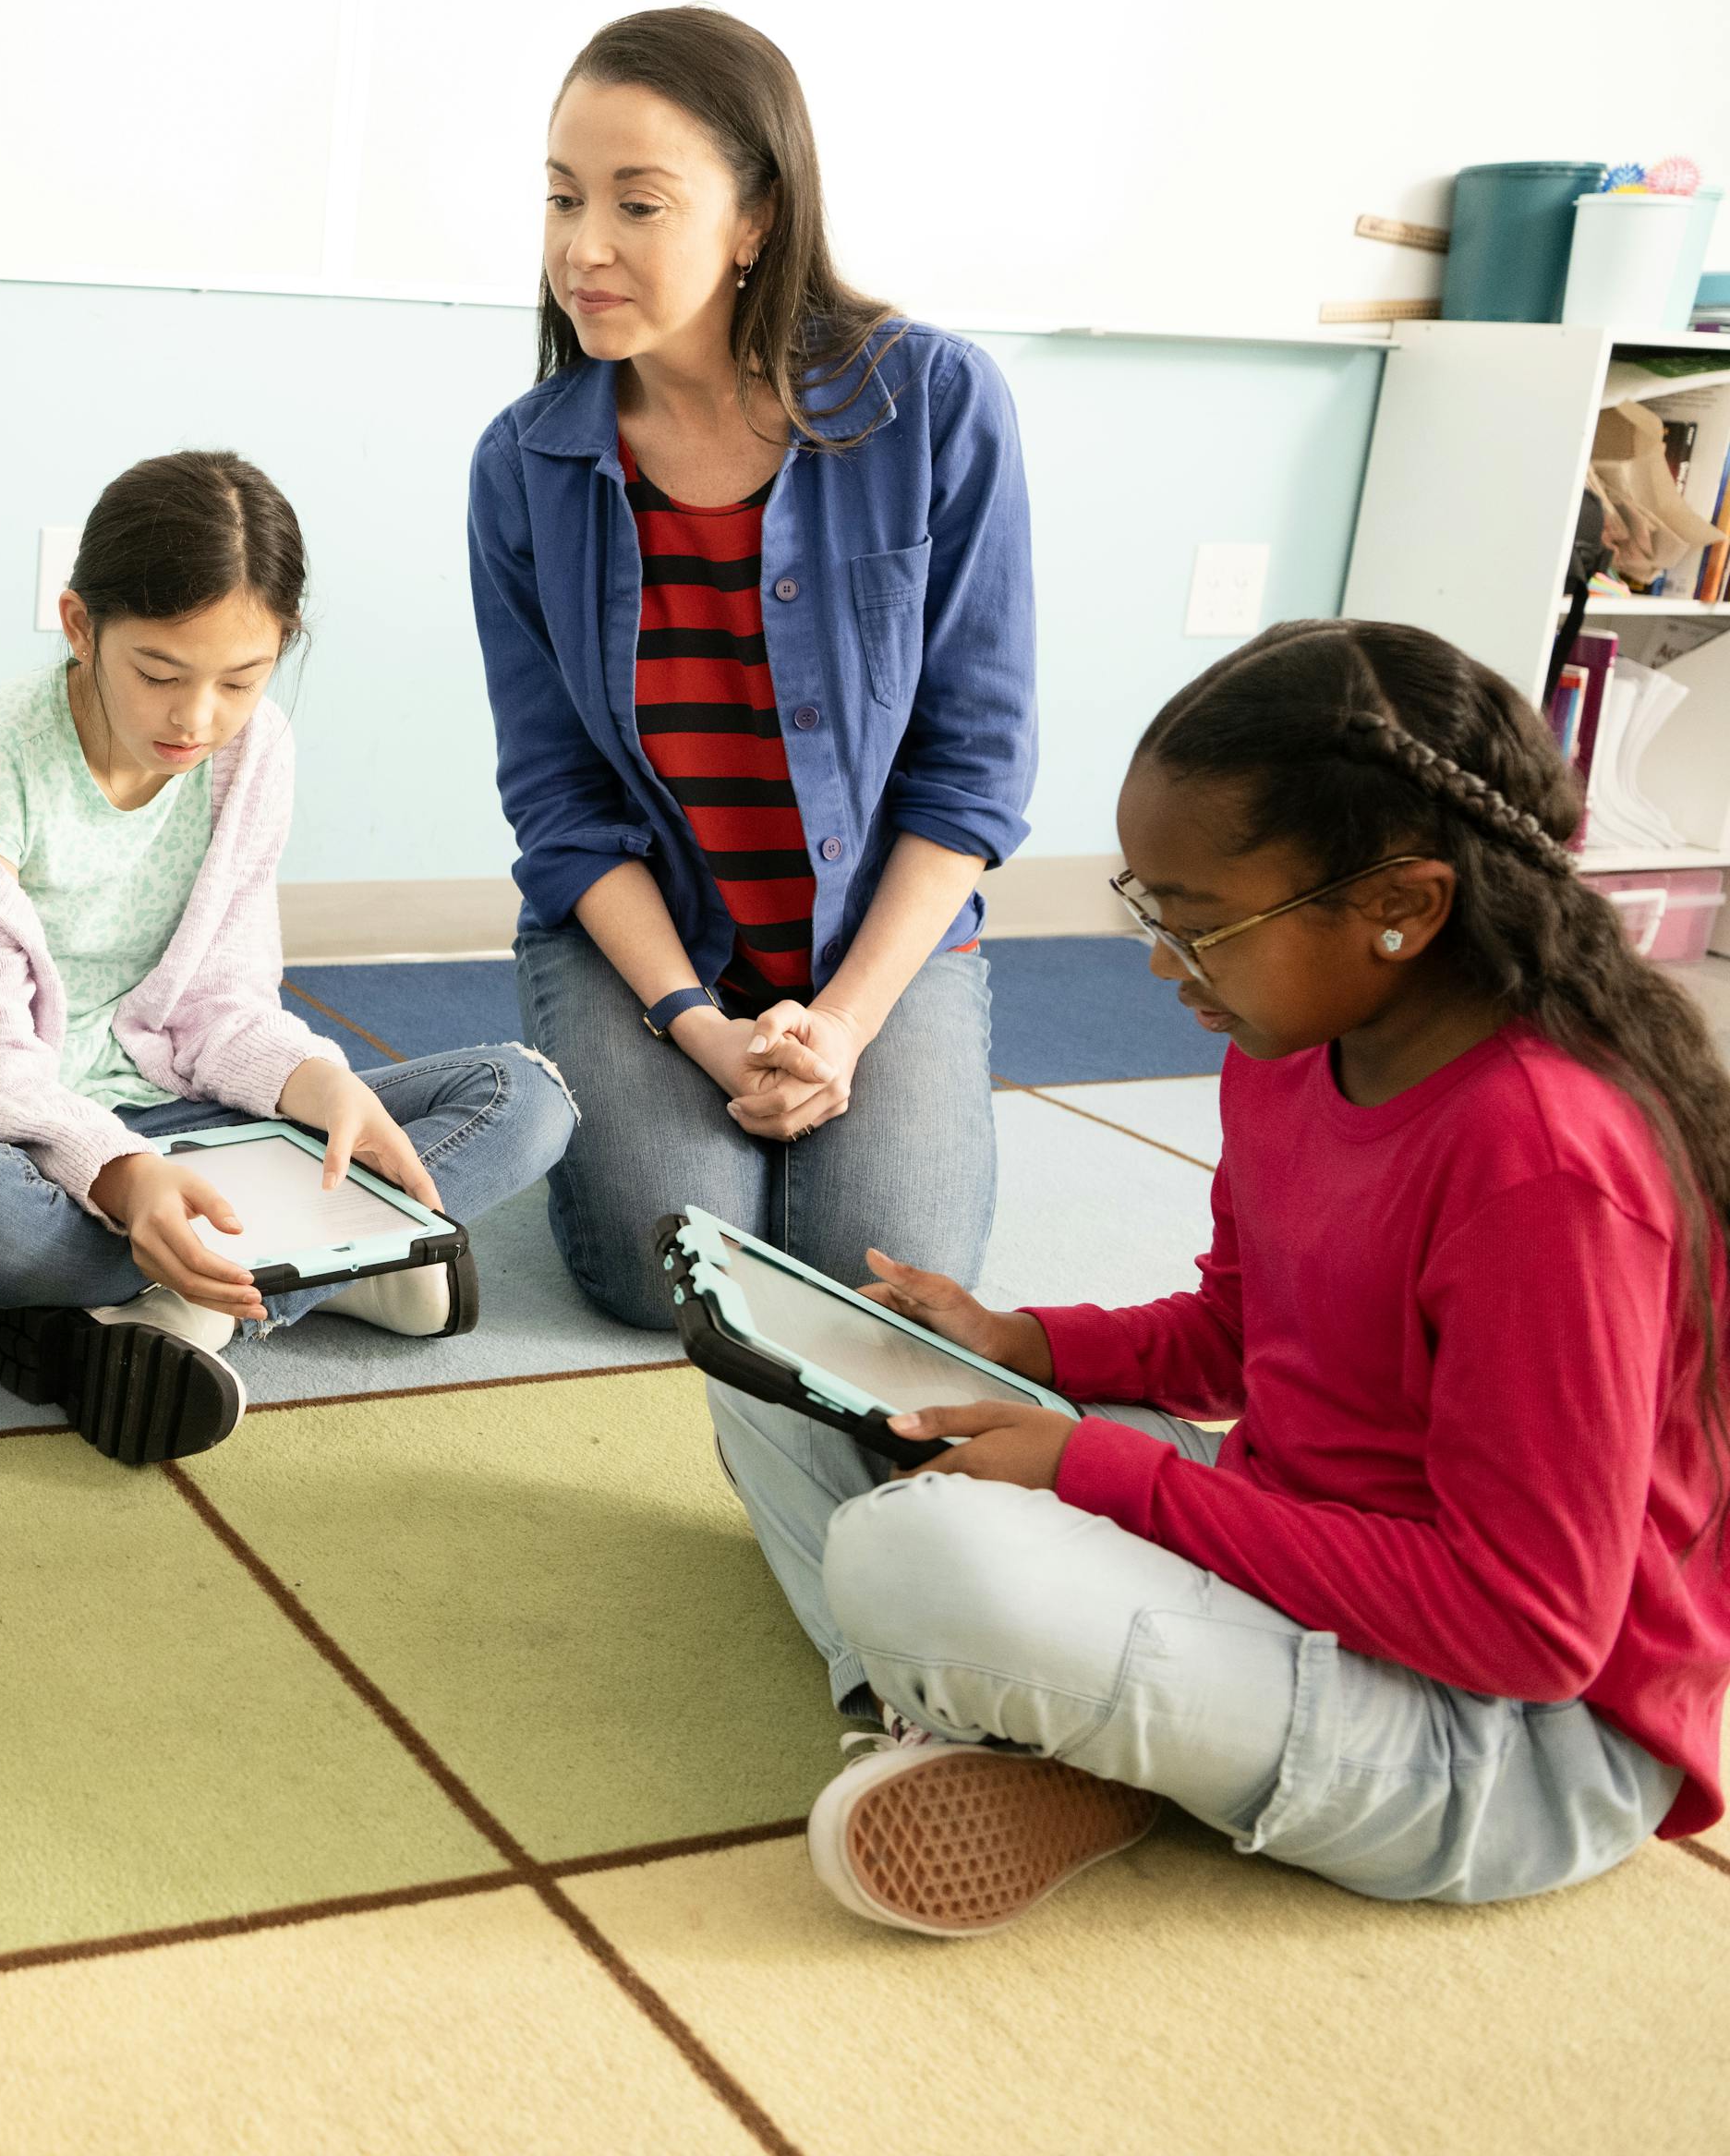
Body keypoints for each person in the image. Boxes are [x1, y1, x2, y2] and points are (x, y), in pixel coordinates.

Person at [714, 619, 1730, 1937]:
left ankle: (1000, 1705)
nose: (1160, 961)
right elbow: (1238, 1333)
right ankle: (1009, 1726)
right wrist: (1017, 1341)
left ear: (1402, 909)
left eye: (1201, 923)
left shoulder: (1545, 1166)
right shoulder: (1291, 1047)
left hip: (1511, 1744)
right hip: (1301, 1564)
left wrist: (1095, 1475)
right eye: (1151, 908)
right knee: (786, 1367)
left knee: (920, 1552)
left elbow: (1529, 1628)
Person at [468, 6, 1036, 1331]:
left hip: (873, 947)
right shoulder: (523, 465)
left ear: (757, 218)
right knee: (662, 1277)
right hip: (650, 949)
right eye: (561, 198)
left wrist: (839, 1024)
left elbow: (973, 769)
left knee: (877, 1289)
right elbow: (557, 802)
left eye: (637, 204)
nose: (581, 247)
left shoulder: (937, 403)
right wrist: (695, 1021)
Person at [0, 449, 573, 1463]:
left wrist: (313, 1082)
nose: (197, 719)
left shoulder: (257, 753)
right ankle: (316, 1269)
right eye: (159, 674)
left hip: (196, 1115)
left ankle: (182, 1307)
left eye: (241, 679)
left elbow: (223, 1002)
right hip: (22, 1131)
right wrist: (121, 1176)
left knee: (529, 1096)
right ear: (80, 626)